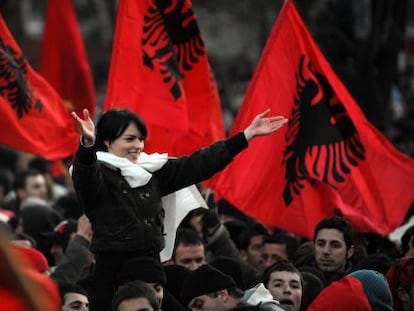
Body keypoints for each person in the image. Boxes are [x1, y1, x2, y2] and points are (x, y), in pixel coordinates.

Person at [71, 108, 288, 311]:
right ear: (108, 142)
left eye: (140, 138)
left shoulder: (152, 171)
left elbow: (199, 163)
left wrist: (246, 136)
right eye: (129, 139)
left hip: (152, 274)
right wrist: (87, 145)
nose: (137, 145)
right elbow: (85, 175)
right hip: (113, 276)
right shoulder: (96, 175)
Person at [312, 216, 355, 284]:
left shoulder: (358, 285)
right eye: (321, 244)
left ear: (350, 251)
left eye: (335, 246)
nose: (326, 251)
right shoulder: (298, 280)